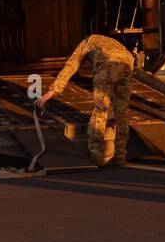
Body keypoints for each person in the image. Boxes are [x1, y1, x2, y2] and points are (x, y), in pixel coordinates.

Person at [38, 33, 135, 168]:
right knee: (122, 110)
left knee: (100, 110)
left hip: (108, 61)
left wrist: (52, 91)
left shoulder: (86, 43)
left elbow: (71, 66)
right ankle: (120, 155)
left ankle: (96, 157)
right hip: (128, 60)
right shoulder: (105, 40)